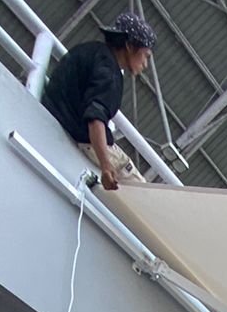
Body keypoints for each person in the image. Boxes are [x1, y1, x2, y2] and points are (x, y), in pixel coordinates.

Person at [42, 13, 156, 190]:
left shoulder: (88, 51)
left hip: (56, 115)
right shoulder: (110, 73)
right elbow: (96, 117)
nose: (145, 64)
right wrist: (106, 165)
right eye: (145, 55)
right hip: (83, 137)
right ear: (129, 46)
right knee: (142, 191)